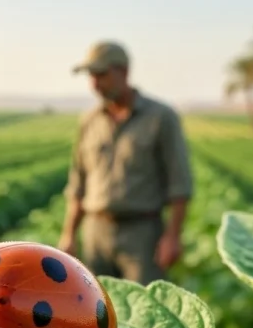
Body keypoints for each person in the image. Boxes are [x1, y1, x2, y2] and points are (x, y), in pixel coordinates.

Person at [57, 40, 193, 286]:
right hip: (95, 230)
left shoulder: (161, 117)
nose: (94, 84)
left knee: (145, 312)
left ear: (124, 72)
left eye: (101, 75)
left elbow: (179, 182)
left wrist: (172, 236)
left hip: (142, 233)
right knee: (95, 311)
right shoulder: (89, 120)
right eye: (91, 76)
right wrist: (69, 234)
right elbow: (78, 183)